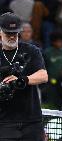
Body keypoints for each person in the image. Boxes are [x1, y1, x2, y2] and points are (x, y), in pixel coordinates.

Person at [0, 12, 48, 140]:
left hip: (31, 121)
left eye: (14, 33)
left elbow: (43, 75)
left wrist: (23, 80)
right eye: (8, 33)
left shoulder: (31, 50)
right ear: (0, 32)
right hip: (4, 122)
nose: (12, 37)